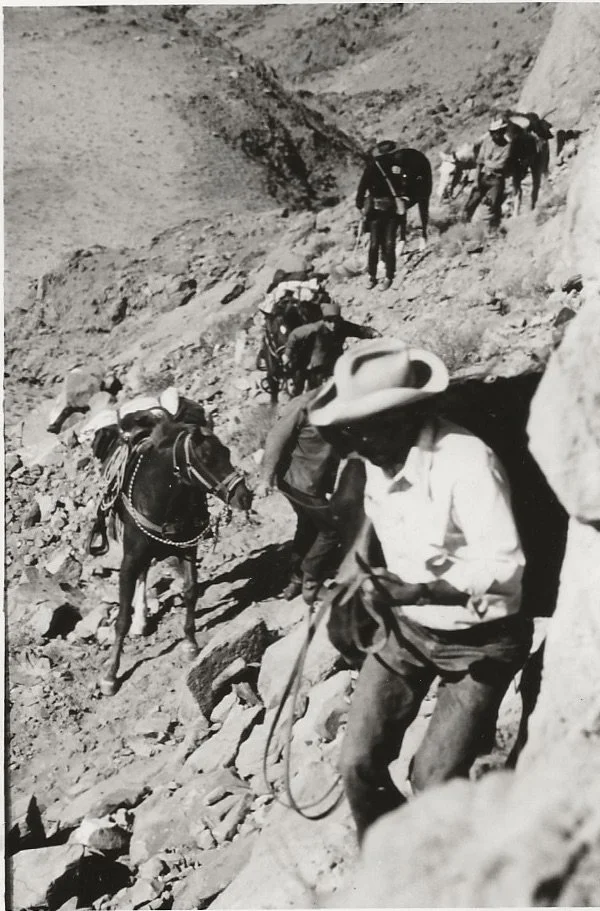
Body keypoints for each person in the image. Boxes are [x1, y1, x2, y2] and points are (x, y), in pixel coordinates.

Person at [309, 338, 532, 843]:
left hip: (483, 641)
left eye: (366, 428)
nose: (357, 443)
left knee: (432, 782)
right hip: (406, 632)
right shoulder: (374, 457)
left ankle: (448, 867)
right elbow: (376, 523)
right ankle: (391, 861)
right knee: (356, 763)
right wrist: (356, 578)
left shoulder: (467, 461)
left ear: (405, 417)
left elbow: (505, 567)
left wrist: (420, 591)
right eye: (351, 429)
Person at [257, 388, 343, 606]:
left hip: (308, 480)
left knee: (308, 524)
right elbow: (275, 438)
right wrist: (265, 479)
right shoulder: (303, 405)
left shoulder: (341, 400)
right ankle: (310, 580)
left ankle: (295, 578)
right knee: (332, 529)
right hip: (299, 481)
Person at [282, 300, 379, 391]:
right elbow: (294, 335)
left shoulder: (343, 327)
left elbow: (359, 330)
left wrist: (373, 333)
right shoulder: (315, 328)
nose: (333, 324)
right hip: (317, 369)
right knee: (316, 393)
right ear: (324, 320)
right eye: (329, 321)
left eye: (336, 321)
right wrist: (287, 354)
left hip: (335, 365)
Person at [355, 139, 403, 291]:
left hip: (376, 212)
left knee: (375, 245)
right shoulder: (396, 167)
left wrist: (360, 205)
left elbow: (361, 188)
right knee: (389, 244)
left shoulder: (372, 167)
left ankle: (373, 277)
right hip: (390, 211)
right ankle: (388, 276)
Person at [463, 117, 515, 227]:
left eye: (496, 132)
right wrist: (476, 180)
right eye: (492, 133)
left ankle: (488, 227)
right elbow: (479, 161)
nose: (494, 135)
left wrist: (487, 163)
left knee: (491, 204)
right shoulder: (487, 142)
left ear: (502, 132)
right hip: (483, 176)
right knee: (472, 200)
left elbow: (500, 165)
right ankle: (464, 222)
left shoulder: (507, 146)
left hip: (496, 179)